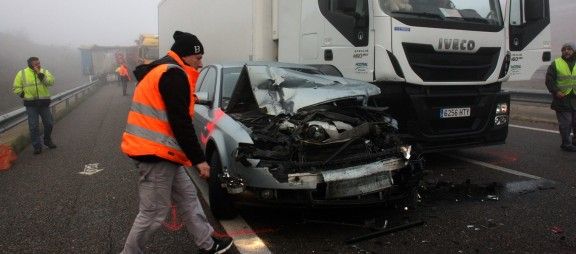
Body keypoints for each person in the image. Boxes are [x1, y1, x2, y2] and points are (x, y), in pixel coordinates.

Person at [120, 31, 233, 254]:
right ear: (185, 55)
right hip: (155, 153)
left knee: (189, 198)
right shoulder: (173, 75)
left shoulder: (167, 71)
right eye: (198, 58)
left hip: (164, 152)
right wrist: (199, 160)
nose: (201, 64)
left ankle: (207, 244)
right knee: (153, 212)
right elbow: (180, 122)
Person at [12, 57, 57, 155]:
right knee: (33, 126)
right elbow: (16, 87)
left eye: (39, 63)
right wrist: (23, 95)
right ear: (30, 64)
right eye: (35, 64)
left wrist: (40, 74)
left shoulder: (44, 71)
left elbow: (51, 82)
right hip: (31, 104)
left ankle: (47, 140)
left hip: (44, 103)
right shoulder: (22, 73)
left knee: (49, 123)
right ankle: (37, 146)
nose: (38, 65)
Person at [546, 42, 576, 152]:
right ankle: (566, 144)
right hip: (562, 99)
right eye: (564, 49)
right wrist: (556, 91)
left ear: (574, 51)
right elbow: (549, 80)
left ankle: (574, 142)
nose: (566, 51)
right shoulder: (556, 64)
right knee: (566, 123)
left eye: (569, 49)